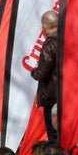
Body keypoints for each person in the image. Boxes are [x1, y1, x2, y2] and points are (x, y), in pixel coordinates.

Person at [31, 10, 60, 142]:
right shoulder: (68, 39)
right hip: (67, 94)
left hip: (51, 96)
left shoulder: (50, 43)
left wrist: (34, 71)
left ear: (45, 26)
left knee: (54, 134)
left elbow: (42, 73)